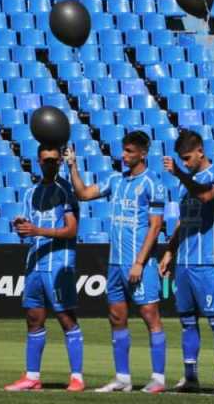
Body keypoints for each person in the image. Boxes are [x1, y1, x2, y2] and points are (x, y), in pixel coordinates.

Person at [65, 131, 168, 394]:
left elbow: (155, 227)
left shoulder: (152, 184)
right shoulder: (115, 180)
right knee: (116, 316)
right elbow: (84, 194)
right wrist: (73, 166)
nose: (124, 155)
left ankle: (158, 378)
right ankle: (123, 377)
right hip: (114, 263)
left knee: (150, 316)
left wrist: (140, 262)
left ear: (143, 153)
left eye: (130, 151)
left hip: (138, 264)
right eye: (123, 150)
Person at [158, 130, 214, 394]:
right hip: (184, 264)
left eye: (188, 158)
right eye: (182, 159)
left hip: (210, 263)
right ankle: (190, 376)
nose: (186, 162)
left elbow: (204, 196)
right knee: (187, 322)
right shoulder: (183, 183)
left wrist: (180, 172)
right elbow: (182, 219)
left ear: (200, 151)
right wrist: (170, 250)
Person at [4, 144, 83, 392]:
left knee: (66, 318)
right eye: (45, 161)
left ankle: (77, 377)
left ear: (60, 162)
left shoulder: (66, 190)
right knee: (33, 318)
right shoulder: (31, 193)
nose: (49, 164)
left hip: (58, 264)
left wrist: (38, 230)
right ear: (38, 162)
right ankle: (32, 376)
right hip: (35, 263)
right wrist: (22, 225)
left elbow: (72, 230)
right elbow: (30, 230)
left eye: (53, 161)